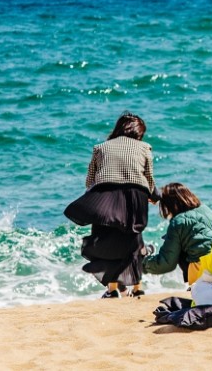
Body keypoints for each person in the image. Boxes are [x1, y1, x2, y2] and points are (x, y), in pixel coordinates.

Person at [71, 112, 157, 298]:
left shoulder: (100, 148)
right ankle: (137, 288)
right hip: (136, 197)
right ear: (139, 133)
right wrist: (150, 194)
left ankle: (111, 291)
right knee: (134, 241)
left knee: (105, 239)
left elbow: (90, 181)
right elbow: (149, 179)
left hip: (105, 196)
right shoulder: (145, 148)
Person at [142, 183, 212, 285]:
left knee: (179, 250)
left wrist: (140, 264)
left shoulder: (179, 221)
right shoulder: (207, 210)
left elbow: (166, 263)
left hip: (204, 273)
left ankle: (195, 287)